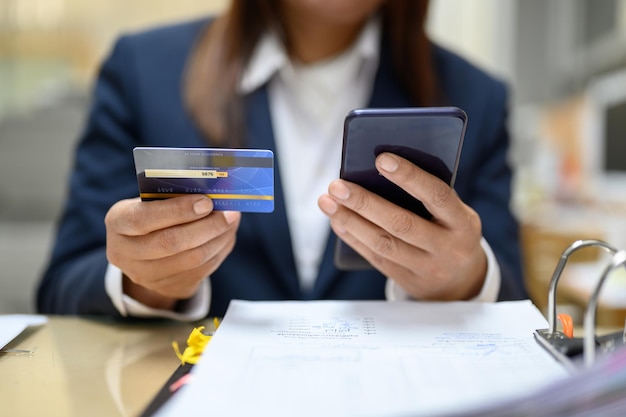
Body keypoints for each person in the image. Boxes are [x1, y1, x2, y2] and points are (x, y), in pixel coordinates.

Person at [37, 0, 527, 320]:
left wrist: (464, 279)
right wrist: (144, 283)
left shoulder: (475, 96)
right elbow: (61, 289)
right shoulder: (142, 71)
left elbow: (517, 301)